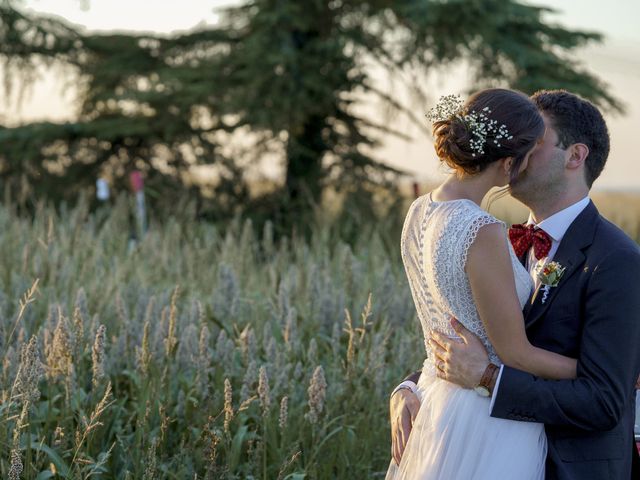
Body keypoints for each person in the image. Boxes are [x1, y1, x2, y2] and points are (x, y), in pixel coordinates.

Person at [389, 90, 640, 479]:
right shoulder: (494, 237)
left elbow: (606, 400)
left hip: (565, 467)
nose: (515, 148)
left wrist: (489, 379)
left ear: (575, 156)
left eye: (534, 142)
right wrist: (410, 387)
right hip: (475, 441)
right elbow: (464, 332)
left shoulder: (616, 260)